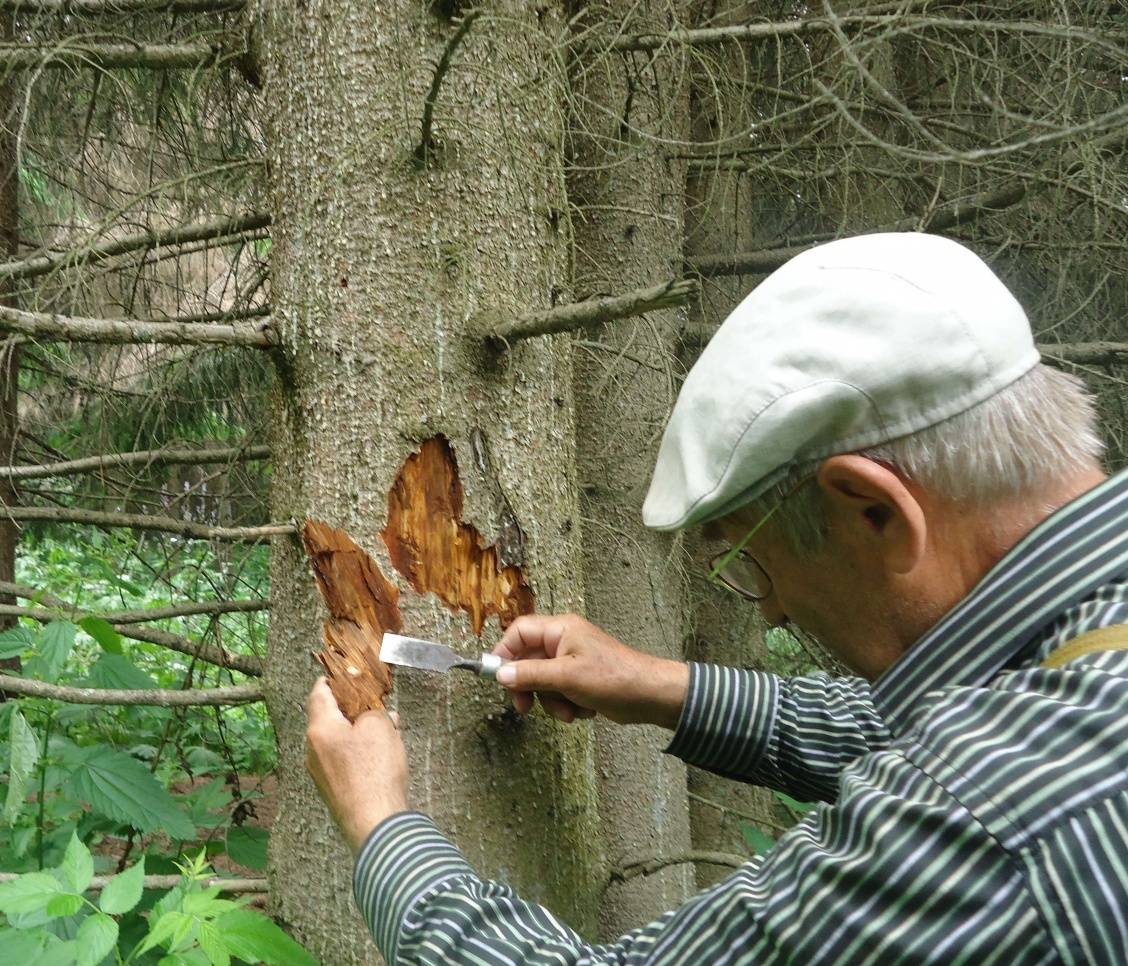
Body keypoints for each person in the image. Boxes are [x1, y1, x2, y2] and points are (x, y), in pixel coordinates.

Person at [305, 233, 1128, 963]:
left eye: (756, 565)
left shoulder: (1003, 821)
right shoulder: (1079, 644)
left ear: (873, 510)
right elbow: (931, 718)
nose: (767, 611)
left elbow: (964, 767)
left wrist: (383, 826)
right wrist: (663, 688)